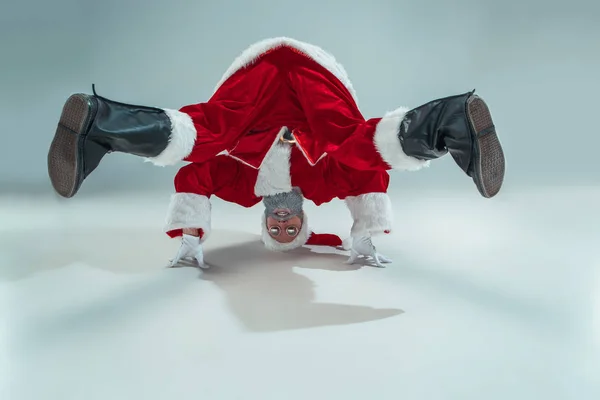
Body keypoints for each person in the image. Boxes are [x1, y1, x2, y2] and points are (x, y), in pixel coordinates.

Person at [47, 37, 505, 268]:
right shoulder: (323, 184)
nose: (282, 220)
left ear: (263, 222)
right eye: (291, 227)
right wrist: (362, 240)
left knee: (206, 135)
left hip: (257, 77)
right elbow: (369, 180)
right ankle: (452, 122)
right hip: (311, 72)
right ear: (305, 220)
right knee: (355, 144)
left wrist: (190, 242)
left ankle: (98, 122)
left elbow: (195, 178)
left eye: (276, 227)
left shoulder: (244, 187)